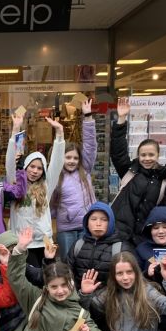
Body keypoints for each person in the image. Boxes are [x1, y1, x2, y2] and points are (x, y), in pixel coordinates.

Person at [109, 97, 166, 247]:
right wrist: (121, 119)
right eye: (143, 155)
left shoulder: (164, 178)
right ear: (138, 155)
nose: (147, 158)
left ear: (158, 155)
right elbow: (118, 152)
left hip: (145, 236)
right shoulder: (130, 171)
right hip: (120, 233)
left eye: (151, 155)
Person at [9, 115, 66, 267]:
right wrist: (15, 129)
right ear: (25, 167)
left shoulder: (47, 185)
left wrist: (60, 133)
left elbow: (57, 162)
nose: (35, 171)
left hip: (43, 242)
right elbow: (10, 162)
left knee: (46, 277)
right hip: (22, 242)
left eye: (40, 168)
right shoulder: (15, 184)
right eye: (32, 167)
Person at [51, 99, 97, 256]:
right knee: (67, 260)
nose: (72, 161)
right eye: (68, 157)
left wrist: (88, 117)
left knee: (85, 259)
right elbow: (50, 205)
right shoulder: (56, 176)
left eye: (75, 158)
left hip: (87, 225)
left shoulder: (85, 170)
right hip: (66, 229)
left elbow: (90, 146)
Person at [66, 201, 128, 289]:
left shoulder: (120, 248)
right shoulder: (78, 245)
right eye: (93, 219)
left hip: (109, 296)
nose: (98, 223)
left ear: (111, 223)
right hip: (80, 295)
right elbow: (66, 273)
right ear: (87, 223)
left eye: (104, 220)